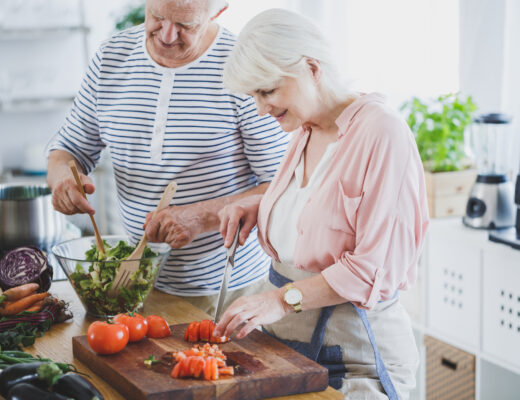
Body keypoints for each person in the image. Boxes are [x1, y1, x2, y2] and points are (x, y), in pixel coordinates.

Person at [214, 8, 429, 399]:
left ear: (311, 68)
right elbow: (319, 213)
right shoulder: (307, 128)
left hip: (356, 357)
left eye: (268, 91)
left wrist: (280, 300)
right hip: (290, 348)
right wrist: (260, 208)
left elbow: (371, 269)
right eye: (255, 96)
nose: (262, 109)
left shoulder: (382, 132)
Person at [45, 0, 289, 316]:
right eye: (157, 16)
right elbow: (67, 151)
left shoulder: (245, 69)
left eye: (185, 25)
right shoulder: (111, 57)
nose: (167, 36)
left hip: (228, 292)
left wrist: (203, 215)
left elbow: (283, 185)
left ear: (218, 10)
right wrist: (63, 178)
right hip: (136, 285)